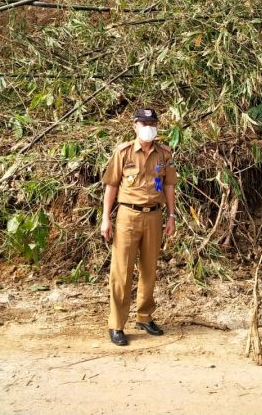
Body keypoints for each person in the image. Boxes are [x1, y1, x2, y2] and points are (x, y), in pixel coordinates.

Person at [100, 108, 178, 346]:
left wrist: (171, 216)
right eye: (143, 123)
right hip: (127, 216)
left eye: (152, 123)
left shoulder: (164, 153)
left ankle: (145, 316)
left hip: (154, 216)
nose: (148, 127)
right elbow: (111, 186)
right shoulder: (123, 152)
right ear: (134, 126)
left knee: (149, 268)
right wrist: (106, 218)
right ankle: (117, 324)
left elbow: (169, 186)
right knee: (121, 271)